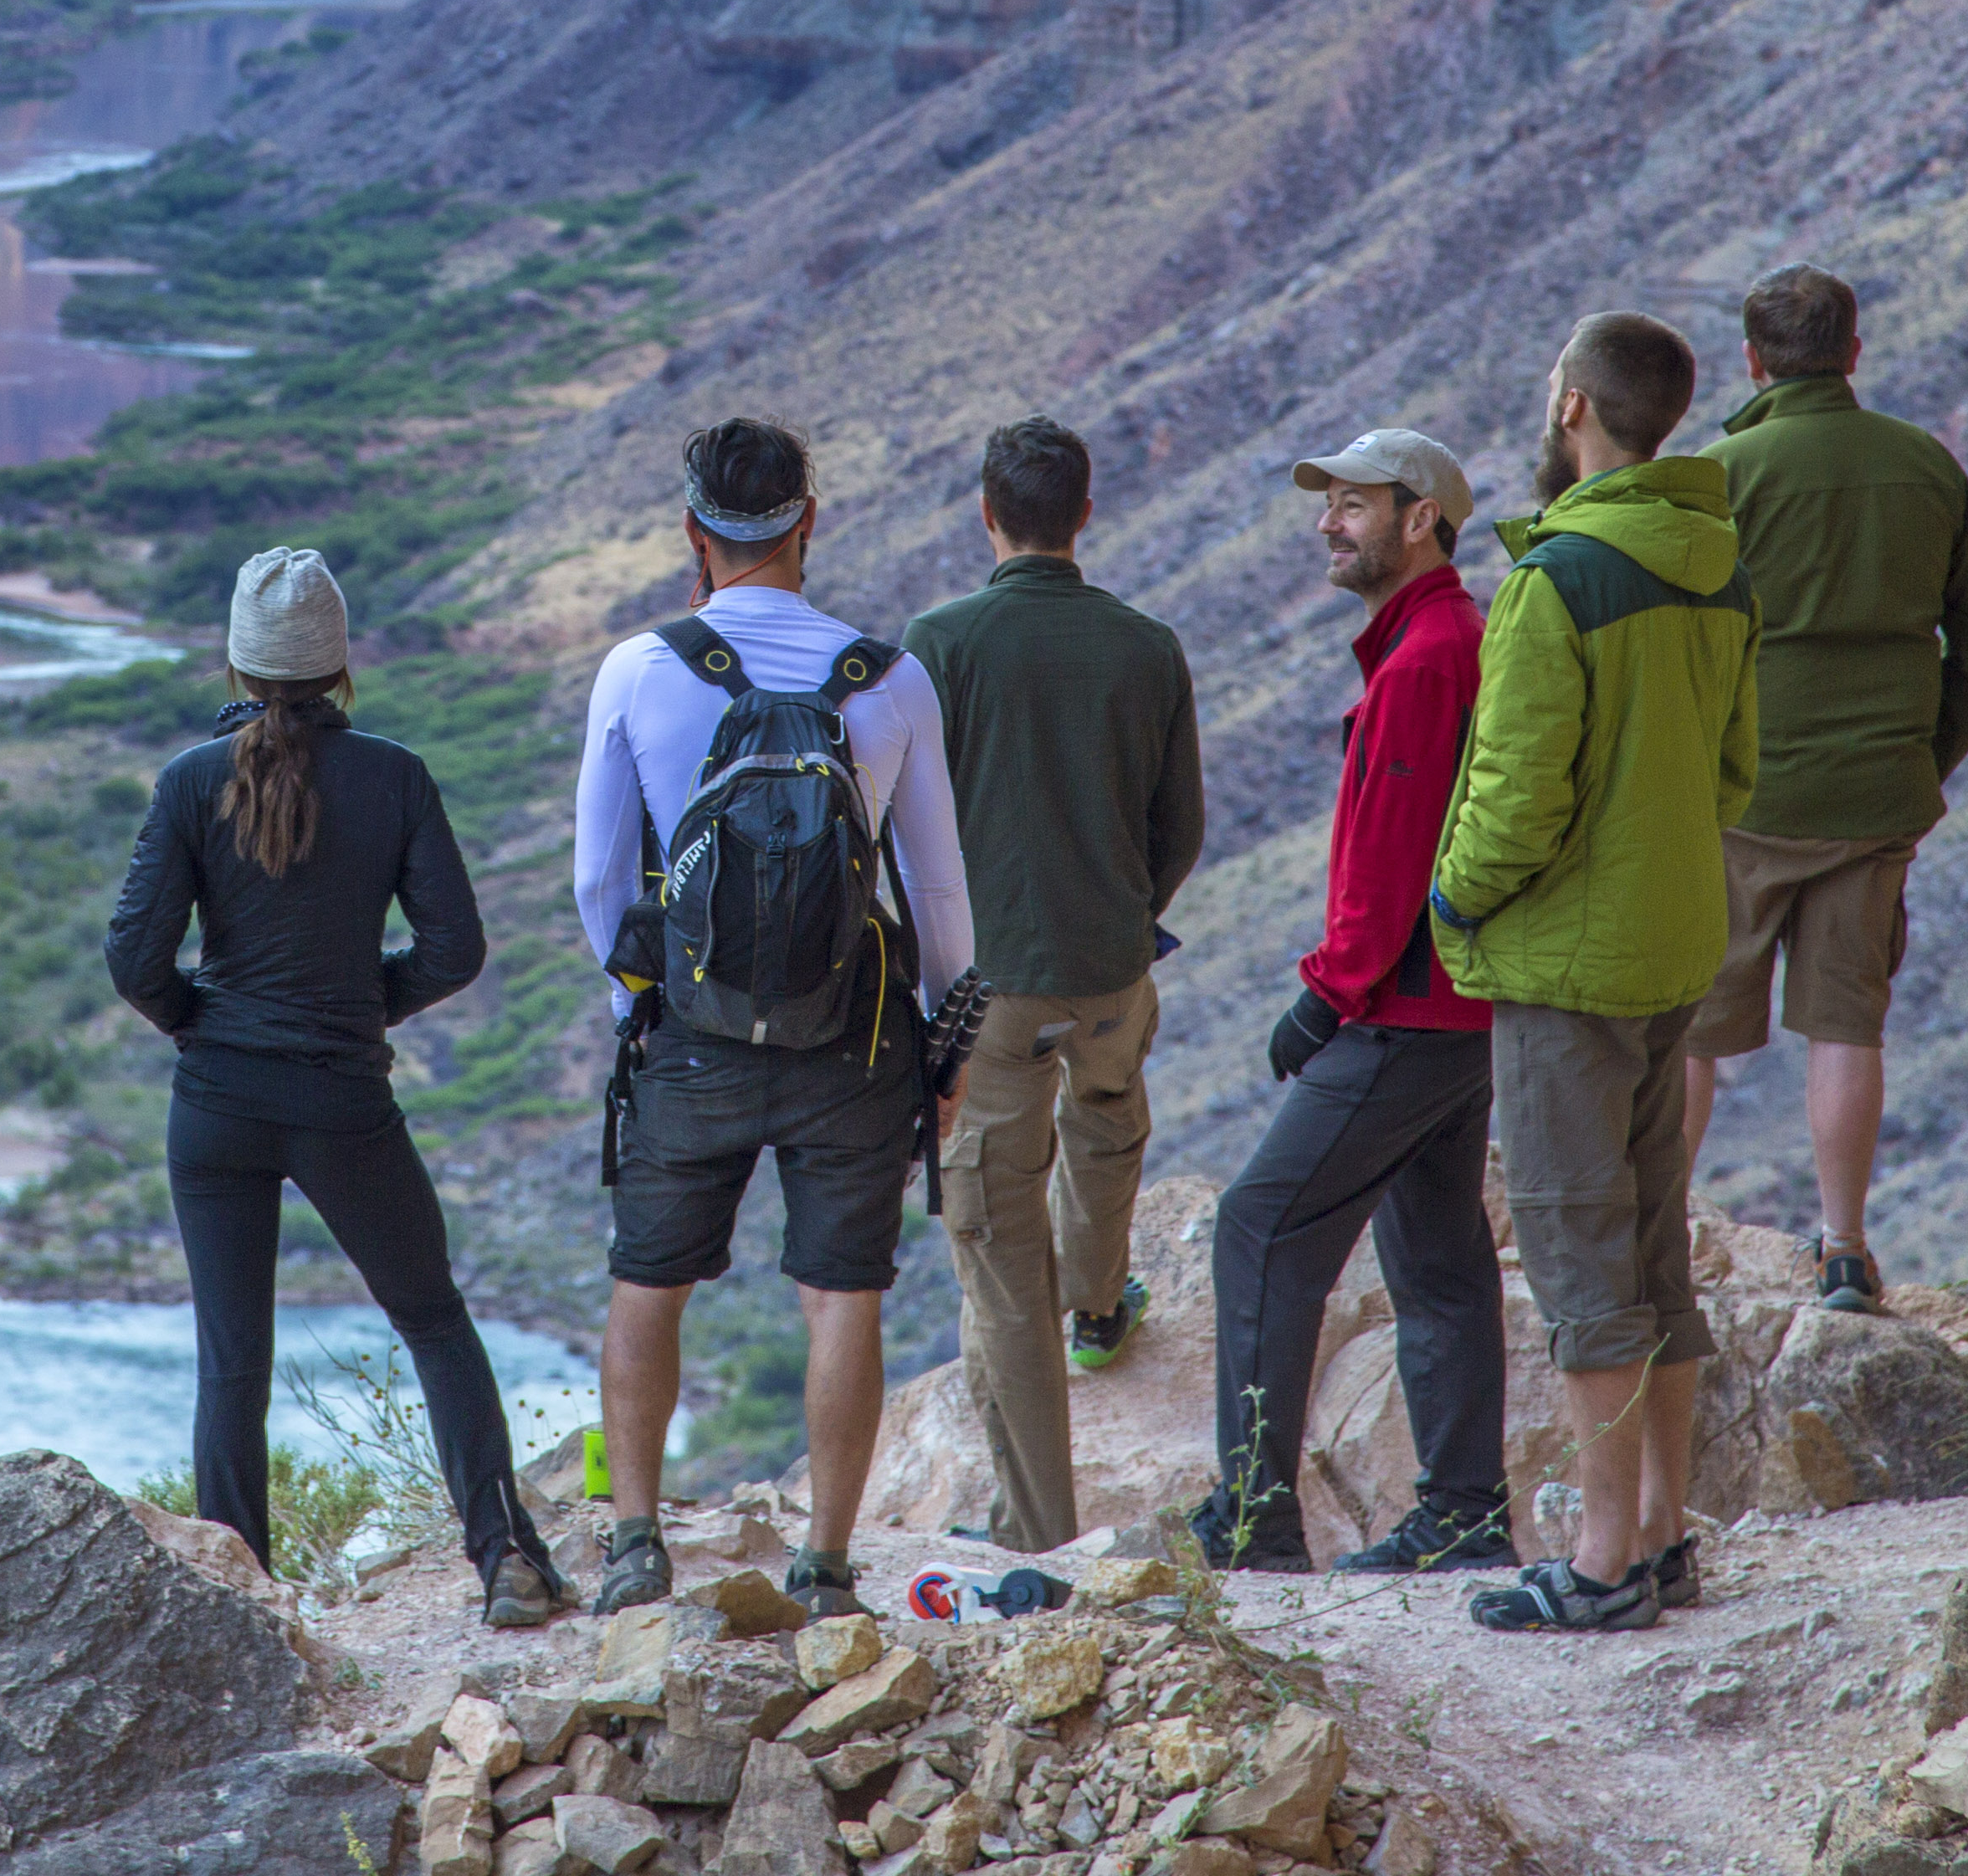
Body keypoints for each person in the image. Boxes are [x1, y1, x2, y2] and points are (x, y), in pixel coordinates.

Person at [106, 546, 566, 1628]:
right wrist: (365, 1009)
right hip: (341, 1104)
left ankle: (242, 1603)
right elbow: (455, 949)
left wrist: (203, 1026)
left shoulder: (187, 783)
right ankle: (506, 1561)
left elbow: (133, 962)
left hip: (214, 1106)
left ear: (235, 659)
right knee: (434, 1321)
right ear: (340, 664)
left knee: (232, 1365)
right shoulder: (394, 778)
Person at [574, 417, 974, 1622]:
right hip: (851, 1043)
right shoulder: (887, 679)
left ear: (693, 534)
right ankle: (827, 1567)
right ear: (812, 522)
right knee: (840, 1292)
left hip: (691, 1037)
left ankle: (636, 1547)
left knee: (651, 1280)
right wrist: (943, 1041)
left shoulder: (640, 669)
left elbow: (600, 881)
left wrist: (638, 1006)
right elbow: (939, 888)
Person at [1428, 314, 1757, 1636]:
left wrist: (1451, 897)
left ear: (1573, 407)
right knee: (1653, 1249)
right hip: (1676, 946)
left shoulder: (1558, 579)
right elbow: (1737, 767)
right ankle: (1667, 1535)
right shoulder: (1714, 568)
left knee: (1581, 1268)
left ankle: (1607, 1560)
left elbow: (1514, 794)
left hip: (1569, 968)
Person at [1181, 427, 1512, 1578]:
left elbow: (1391, 859)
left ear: (1420, 518)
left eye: (1353, 505)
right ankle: (1466, 1515)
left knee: (1262, 1226)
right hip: (1455, 1013)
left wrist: (1325, 1000)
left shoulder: (1426, 659)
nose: (1329, 522)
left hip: (1401, 1014)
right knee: (1438, 1259)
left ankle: (1256, 1522)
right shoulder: (1441, 640)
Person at [1688, 265, 1968, 1312]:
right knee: (1845, 1024)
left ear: (1752, 360)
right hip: (1877, 793)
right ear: (1854, 351)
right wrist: (1929, 748)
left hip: (1744, 799)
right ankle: (1843, 1248)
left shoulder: (1722, 472)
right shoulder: (1921, 465)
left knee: (1690, 1027)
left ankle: (1655, 1233)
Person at [902, 414, 1202, 1557]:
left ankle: (1036, 1534)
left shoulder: (939, 641)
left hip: (991, 992)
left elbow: (898, 828)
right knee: (1111, 1114)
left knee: (994, 1250)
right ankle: (1102, 1305)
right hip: (1114, 968)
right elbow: (1183, 828)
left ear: (987, 515)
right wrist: (1125, 916)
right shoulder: (1146, 643)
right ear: (1085, 514)